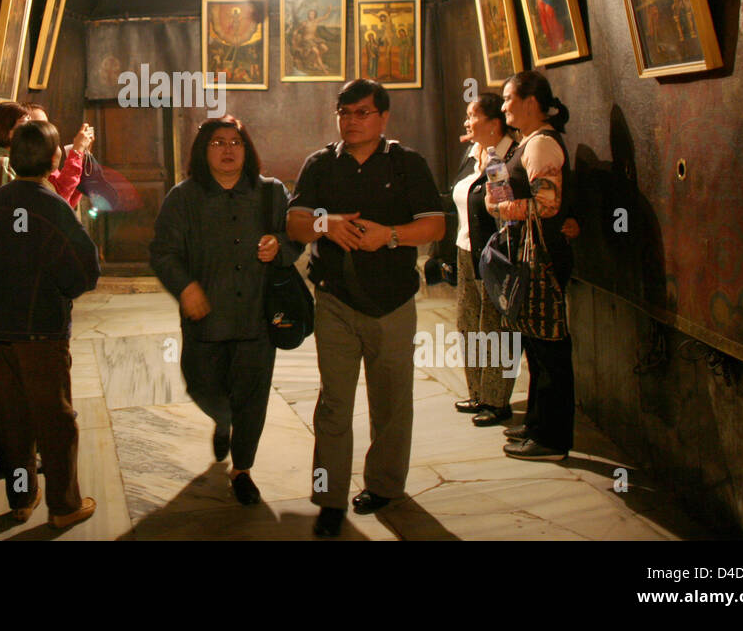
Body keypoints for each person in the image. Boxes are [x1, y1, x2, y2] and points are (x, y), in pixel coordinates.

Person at [286, 79, 445, 537]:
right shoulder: (320, 164)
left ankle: (385, 486)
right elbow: (296, 223)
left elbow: (433, 224)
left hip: (392, 302)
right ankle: (329, 494)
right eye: (344, 112)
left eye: (361, 113)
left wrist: (389, 236)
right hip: (335, 299)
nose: (351, 121)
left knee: (391, 402)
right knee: (334, 403)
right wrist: (327, 223)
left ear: (383, 118)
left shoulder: (406, 163)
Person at [150, 116, 300, 506]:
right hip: (206, 316)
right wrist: (185, 287)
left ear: (246, 149)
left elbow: (294, 238)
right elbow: (162, 252)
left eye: (235, 142)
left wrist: (279, 247)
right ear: (203, 150)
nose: (228, 149)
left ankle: (243, 469)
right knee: (200, 383)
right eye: (218, 142)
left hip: (257, 316)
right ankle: (222, 419)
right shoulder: (183, 198)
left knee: (253, 396)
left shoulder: (271, 193)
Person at [0, 120, 101, 528]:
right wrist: (62, 290)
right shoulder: (53, 205)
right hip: (42, 330)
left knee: (15, 419)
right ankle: (64, 504)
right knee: (56, 421)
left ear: (13, 159)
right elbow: (84, 271)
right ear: (55, 158)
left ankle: (21, 498)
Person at [486, 71, 575, 461]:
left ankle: (553, 439)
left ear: (531, 101)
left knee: (550, 349)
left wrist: (502, 206)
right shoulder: (527, 143)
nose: (503, 106)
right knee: (536, 347)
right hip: (528, 253)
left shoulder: (541, 145)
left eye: (508, 98)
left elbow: (548, 205)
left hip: (543, 256)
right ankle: (538, 425)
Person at [450, 94, 518, 425]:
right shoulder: (472, 155)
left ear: (493, 123)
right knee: (468, 325)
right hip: (466, 250)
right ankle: (478, 393)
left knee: (496, 329)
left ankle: (497, 400)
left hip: (498, 255)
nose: (466, 122)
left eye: (472, 115)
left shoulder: (509, 156)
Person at [21, 102, 95, 208]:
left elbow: (68, 204)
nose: (46, 130)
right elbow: (58, 200)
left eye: (47, 124)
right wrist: (77, 152)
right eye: (39, 125)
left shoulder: (47, 159)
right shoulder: (25, 164)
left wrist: (83, 155)